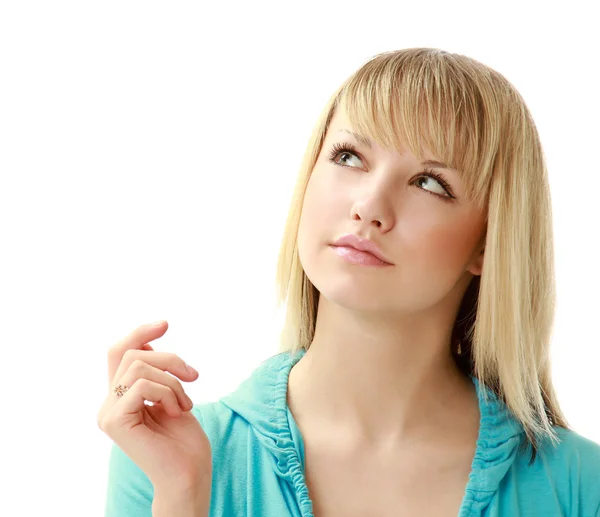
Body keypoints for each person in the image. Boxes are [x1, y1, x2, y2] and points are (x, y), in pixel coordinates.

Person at [98, 47, 600, 517]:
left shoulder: (579, 486)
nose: (369, 207)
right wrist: (182, 494)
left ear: (488, 244)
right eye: (349, 157)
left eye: (430, 183)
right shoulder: (167, 456)